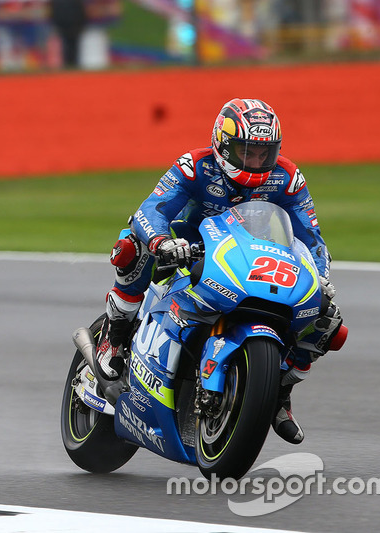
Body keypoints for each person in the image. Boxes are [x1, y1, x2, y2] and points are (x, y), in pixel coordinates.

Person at [95, 98, 346, 445]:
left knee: (326, 320)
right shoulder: (194, 166)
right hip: (190, 246)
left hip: (250, 258)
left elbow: (310, 237)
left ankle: (277, 391)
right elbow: (151, 209)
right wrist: (160, 243)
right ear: (223, 145)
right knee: (131, 248)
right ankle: (115, 337)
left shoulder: (287, 177)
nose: (257, 162)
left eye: (264, 153)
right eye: (247, 152)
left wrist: (320, 277)